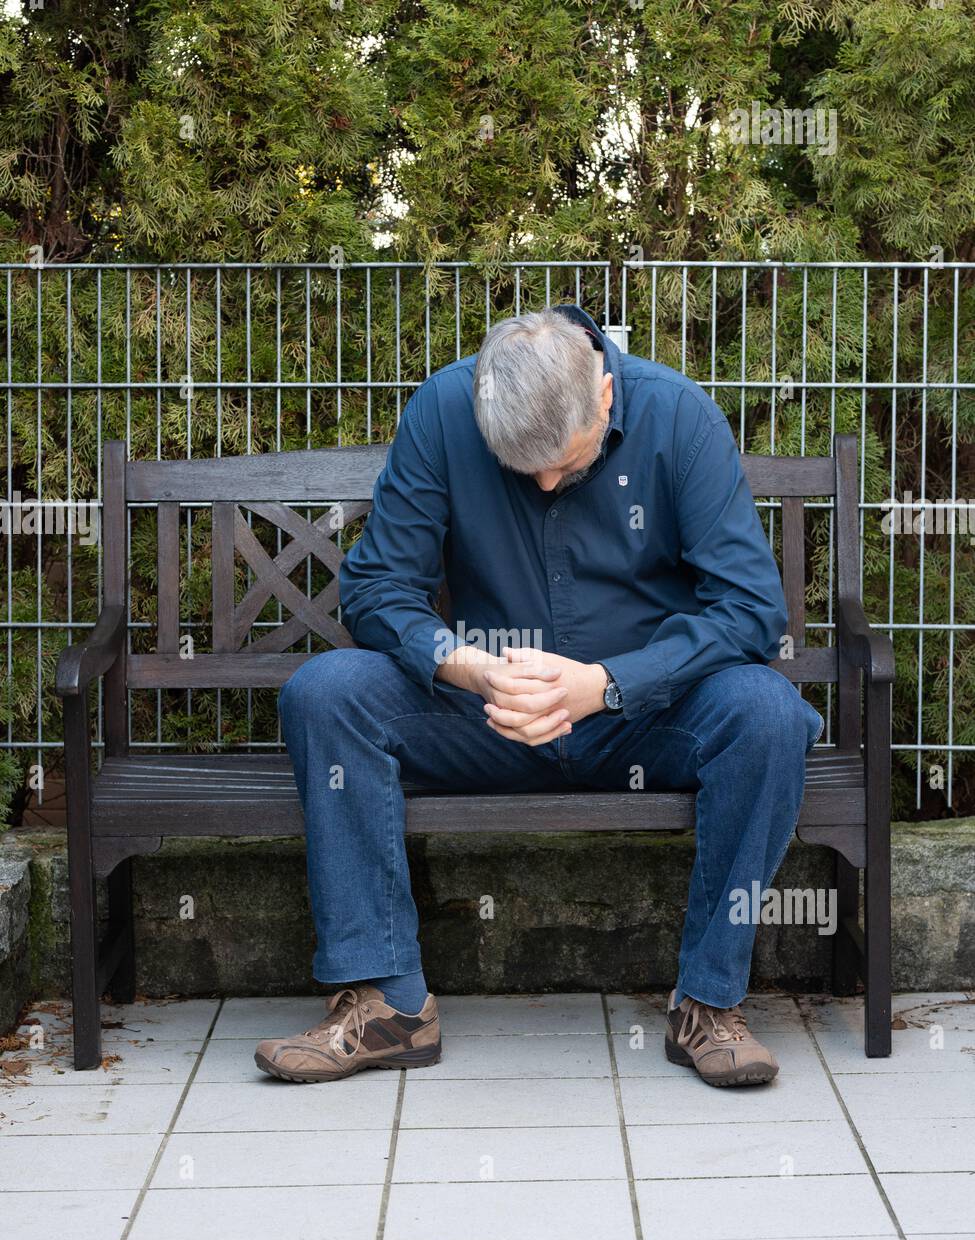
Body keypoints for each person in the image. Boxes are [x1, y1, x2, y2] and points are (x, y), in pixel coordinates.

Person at [254, 304, 824, 1089]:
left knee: (767, 714)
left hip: (642, 720)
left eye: (565, 461)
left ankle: (707, 1005)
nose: (548, 480)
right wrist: (464, 665)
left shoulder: (678, 416)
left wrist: (608, 684)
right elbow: (378, 586)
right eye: (526, 469)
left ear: (603, 395)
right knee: (325, 692)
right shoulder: (447, 409)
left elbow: (752, 610)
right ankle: (387, 1006)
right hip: (488, 716)